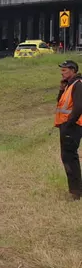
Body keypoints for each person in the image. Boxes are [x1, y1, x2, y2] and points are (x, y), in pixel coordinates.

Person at [55, 60, 82, 200]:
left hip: (72, 126)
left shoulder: (78, 85)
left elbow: (78, 107)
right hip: (65, 126)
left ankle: (75, 192)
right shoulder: (68, 85)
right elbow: (59, 103)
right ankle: (76, 190)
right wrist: (61, 89)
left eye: (64, 70)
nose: (62, 72)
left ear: (73, 70)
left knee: (70, 158)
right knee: (67, 157)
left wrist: (69, 123)